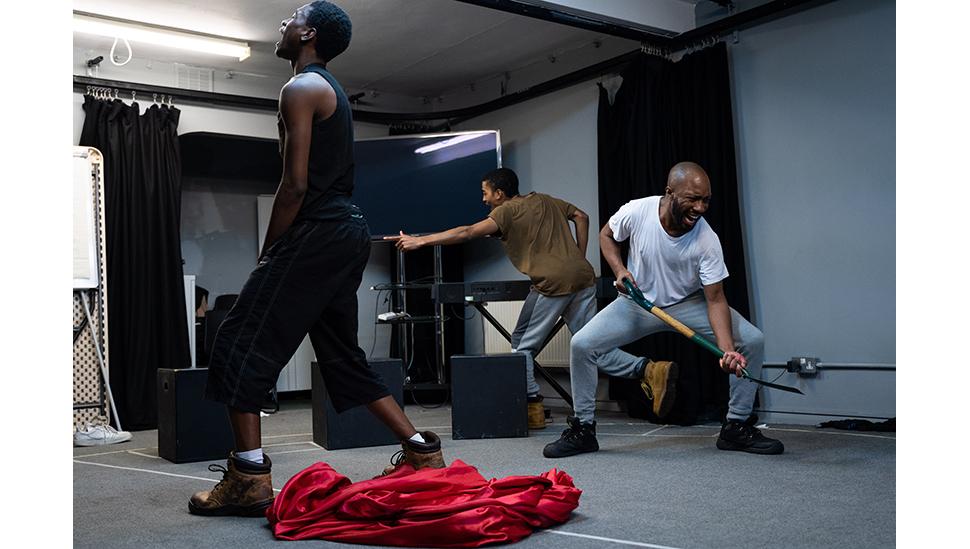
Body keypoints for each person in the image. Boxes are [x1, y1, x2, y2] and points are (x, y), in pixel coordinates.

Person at [189, 1, 444, 518]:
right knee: (341, 356)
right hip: (346, 231)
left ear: (308, 35)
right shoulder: (327, 89)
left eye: (293, 16)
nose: (284, 22)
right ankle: (423, 453)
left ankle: (248, 479)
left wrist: (268, 254)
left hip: (318, 231)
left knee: (237, 341)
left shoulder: (300, 88)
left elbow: (295, 184)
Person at [386, 167, 677, 430]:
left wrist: (421, 241)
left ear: (500, 193)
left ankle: (532, 405)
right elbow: (582, 216)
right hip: (582, 278)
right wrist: (578, 254)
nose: (484, 199)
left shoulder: (505, 211)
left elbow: (468, 232)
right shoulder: (545, 200)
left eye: (485, 193)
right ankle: (648, 369)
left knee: (523, 347)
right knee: (586, 345)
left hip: (553, 283)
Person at [543, 161, 784, 458]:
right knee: (582, 344)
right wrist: (619, 270)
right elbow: (606, 235)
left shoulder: (707, 241)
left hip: (688, 304)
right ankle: (583, 429)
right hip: (637, 304)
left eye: (706, 200)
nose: (700, 208)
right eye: (692, 199)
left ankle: (736, 425)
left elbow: (716, 299)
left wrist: (726, 351)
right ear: (670, 192)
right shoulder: (637, 211)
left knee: (753, 340)